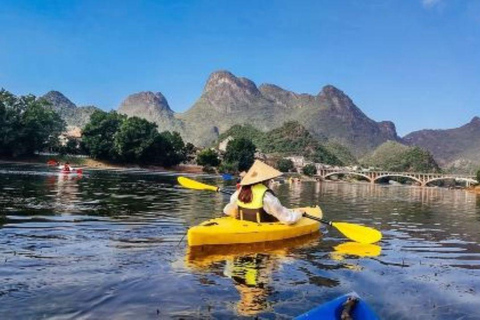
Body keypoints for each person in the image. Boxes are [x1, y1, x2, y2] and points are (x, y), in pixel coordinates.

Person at [223, 160, 302, 225]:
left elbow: (226, 210)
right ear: (265, 180)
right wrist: (298, 214)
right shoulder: (266, 196)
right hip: (263, 227)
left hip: (245, 225)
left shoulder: (240, 191)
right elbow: (288, 220)